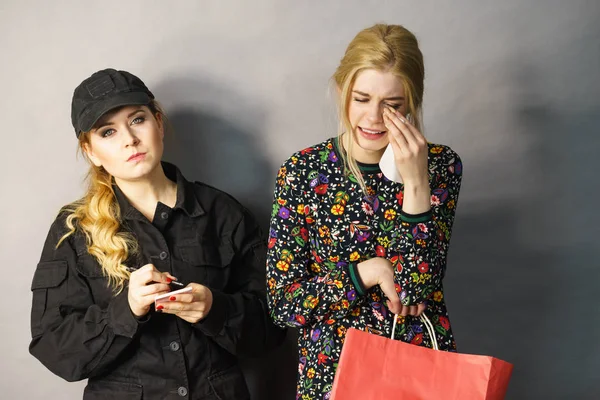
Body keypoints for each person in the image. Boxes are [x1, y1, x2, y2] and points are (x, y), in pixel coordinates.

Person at [29, 68, 281, 399]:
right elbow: (55, 349)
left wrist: (214, 309)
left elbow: (276, 325)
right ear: (91, 152)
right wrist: (126, 309)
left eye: (137, 120)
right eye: (108, 132)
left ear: (158, 123)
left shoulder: (224, 214)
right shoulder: (74, 230)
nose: (129, 140)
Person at [266, 24, 463, 398]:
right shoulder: (303, 172)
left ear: (412, 102)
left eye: (392, 105)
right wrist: (365, 272)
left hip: (418, 377)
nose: (374, 117)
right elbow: (284, 306)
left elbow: (416, 289)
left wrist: (416, 184)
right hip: (332, 378)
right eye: (361, 99)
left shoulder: (439, 166)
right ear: (342, 92)